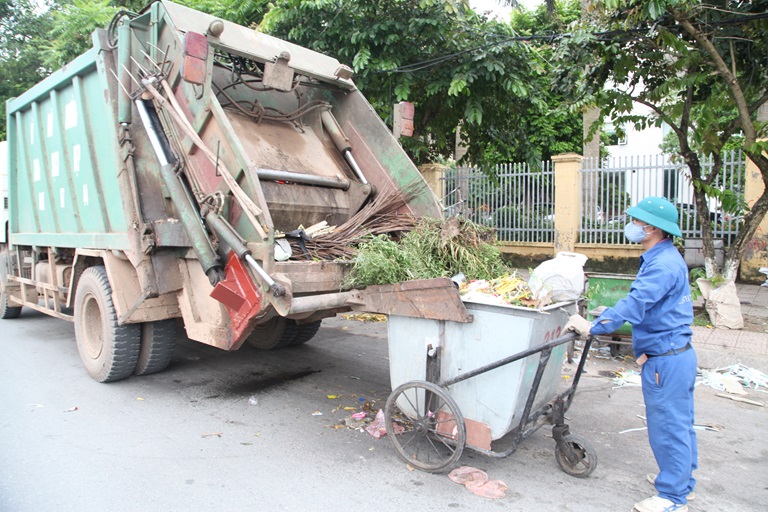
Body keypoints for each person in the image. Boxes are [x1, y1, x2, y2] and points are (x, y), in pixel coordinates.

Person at [564, 197, 697, 512]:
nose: (632, 225)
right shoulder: (663, 257)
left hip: (668, 360)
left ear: (651, 227)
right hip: (672, 355)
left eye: (636, 221)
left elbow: (635, 304)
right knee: (680, 425)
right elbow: (653, 310)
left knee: (668, 427)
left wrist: (594, 326)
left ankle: (673, 498)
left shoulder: (662, 264)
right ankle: (681, 483)